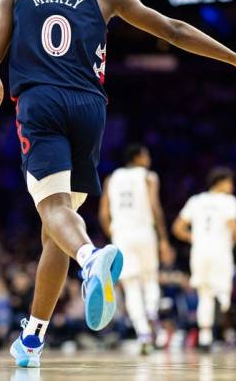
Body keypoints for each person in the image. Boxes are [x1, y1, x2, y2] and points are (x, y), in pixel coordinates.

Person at [0, 0, 236, 367]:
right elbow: (174, 30)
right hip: (89, 109)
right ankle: (32, 337)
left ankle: (91, 257)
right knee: (54, 231)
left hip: (41, 104)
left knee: (56, 213)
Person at [98, 144, 172, 354]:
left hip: (122, 233)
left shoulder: (111, 179)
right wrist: (164, 239)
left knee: (130, 285)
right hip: (144, 232)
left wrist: (114, 234)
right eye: (146, 155)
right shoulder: (148, 176)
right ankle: (151, 311)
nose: (148, 159)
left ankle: (143, 333)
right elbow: (155, 207)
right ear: (138, 157)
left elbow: (104, 214)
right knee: (150, 279)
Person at [172, 167, 236, 349]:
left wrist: (194, 238)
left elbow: (177, 227)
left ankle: (205, 338)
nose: (232, 186)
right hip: (220, 251)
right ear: (220, 182)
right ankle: (220, 306)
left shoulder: (196, 200)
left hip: (199, 252)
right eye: (230, 182)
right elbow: (233, 224)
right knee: (223, 291)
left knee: (204, 294)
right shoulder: (228, 201)